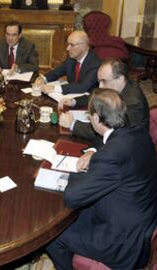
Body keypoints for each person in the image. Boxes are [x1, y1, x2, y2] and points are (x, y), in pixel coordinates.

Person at [46, 88, 157, 269]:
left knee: (53, 237)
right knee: (76, 216)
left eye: (90, 116)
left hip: (124, 241)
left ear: (97, 119)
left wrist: (75, 170)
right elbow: (109, 146)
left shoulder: (112, 155)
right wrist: (93, 153)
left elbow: (72, 196)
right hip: (139, 214)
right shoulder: (138, 132)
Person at [58, 58, 150, 145]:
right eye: (99, 81)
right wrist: (74, 101)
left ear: (119, 79)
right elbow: (97, 97)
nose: (100, 86)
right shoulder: (121, 85)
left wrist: (73, 124)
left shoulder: (133, 103)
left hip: (128, 148)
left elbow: (111, 132)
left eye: (104, 81)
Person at [35, 31, 101, 94]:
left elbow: (82, 87)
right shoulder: (71, 58)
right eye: (68, 44)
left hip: (87, 101)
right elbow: (57, 72)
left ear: (83, 46)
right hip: (70, 95)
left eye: (72, 45)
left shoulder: (95, 63)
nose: (67, 48)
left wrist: (53, 88)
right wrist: (44, 79)